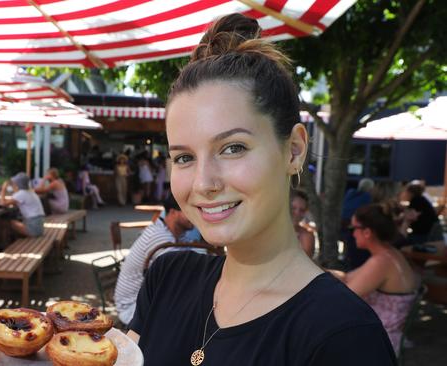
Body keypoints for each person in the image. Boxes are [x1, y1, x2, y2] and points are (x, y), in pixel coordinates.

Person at [127, 14, 396, 365]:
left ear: (294, 150)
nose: (204, 183)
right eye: (184, 157)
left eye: (233, 147)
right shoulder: (168, 277)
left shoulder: (344, 335)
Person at [329, 204, 419, 355]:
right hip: (385, 333)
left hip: (379, 341)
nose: (352, 234)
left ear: (367, 232)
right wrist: (320, 271)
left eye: (353, 228)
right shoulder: (388, 254)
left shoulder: (381, 262)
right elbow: (347, 277)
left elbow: (344, 298)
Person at [114, 193, 194, 325]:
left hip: (142, 300)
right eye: (190, 211)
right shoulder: (160, 237)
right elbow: (183, 276)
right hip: (132, 308)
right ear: (173, 212)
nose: (196, 216)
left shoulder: (170, 231)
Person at [341, 178, 375, 269]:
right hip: (354, 228)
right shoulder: (366, 197)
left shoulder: (350, 193)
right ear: (370, 189)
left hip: (343, 226)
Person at [0, 173, 45, 238]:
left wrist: (3, 189)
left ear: (18, 184)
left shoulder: (21, 194)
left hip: (34, 229)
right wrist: (15, 187)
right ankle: (14, 239)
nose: (13, 184)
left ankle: (5, 244)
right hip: (39, 227)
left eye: (14, 183)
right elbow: (17, 196)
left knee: (8, 222)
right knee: (16, 221)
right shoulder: (31, 192)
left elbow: (3, 203)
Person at [401, 181, 439, 245]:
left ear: (410, 193)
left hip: (423, 232)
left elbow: (410, 217)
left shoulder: (416, 201)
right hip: (429, 230)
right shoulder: (421, 199)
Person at [291, 190, 315, 258]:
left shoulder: (306, 236)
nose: (297, 213)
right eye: (293, 208)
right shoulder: (272, 231)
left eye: (302, 210)